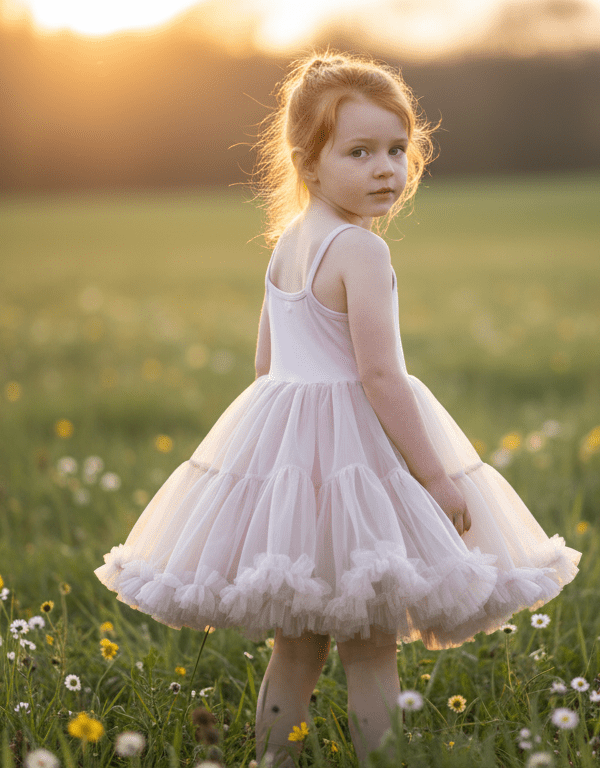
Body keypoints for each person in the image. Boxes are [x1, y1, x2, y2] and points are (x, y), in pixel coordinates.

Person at [94, 50, 581, 767]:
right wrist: (435, 479)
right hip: (357, 459)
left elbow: (267, 366)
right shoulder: (359, 250)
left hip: (289, 456)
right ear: (309, 162)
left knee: (295, 648)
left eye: (397, 149)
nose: (387, 168)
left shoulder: (288, 244)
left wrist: (283, 453)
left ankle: (274, 760)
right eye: (360, 151)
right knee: (370, 650)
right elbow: (382, 377)